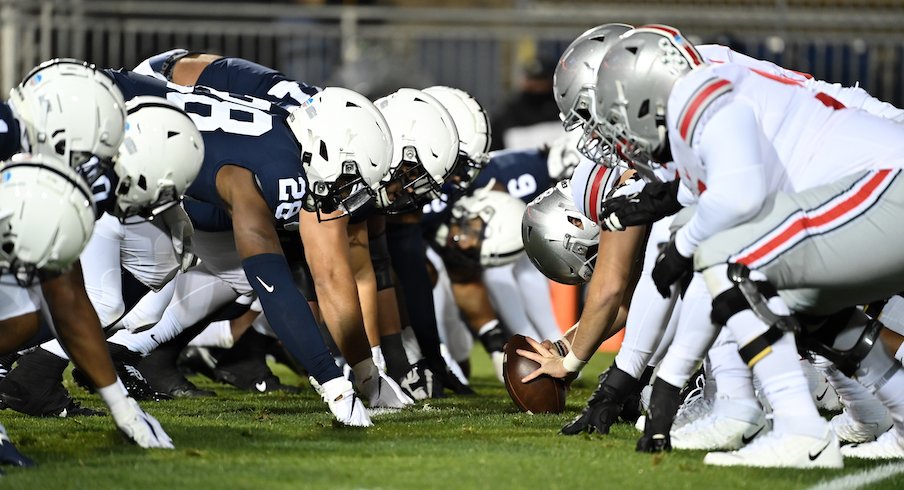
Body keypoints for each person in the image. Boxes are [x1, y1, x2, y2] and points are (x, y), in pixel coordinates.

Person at [590, 25, 904, 467]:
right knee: (804, 304)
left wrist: (682, 246)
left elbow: (733, 217)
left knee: (734, 261)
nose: (621, 137)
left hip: (886, 184)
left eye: (615, 116)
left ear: (644, 93)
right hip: (879, 183)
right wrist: (665, 387)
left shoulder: (702, 96)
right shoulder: (716, 89)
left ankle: (797, 429)